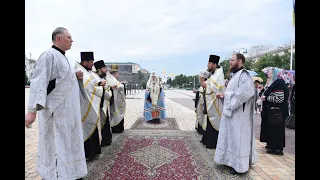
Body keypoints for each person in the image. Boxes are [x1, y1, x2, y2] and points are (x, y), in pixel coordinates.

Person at [25, 27, 87, 180]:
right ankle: (55, 175)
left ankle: (70, 173)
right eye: (69, 37)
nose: (72, 40)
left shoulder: (64, 58)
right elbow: (39, 82)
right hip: (55, 112)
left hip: (68, 113)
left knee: (68, 144)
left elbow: (61, 81)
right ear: (59, 39)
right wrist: (32, 110)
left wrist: (76, 76)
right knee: (55, 145)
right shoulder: (48, 55)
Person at [214, 53, 257, 175]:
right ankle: (229, 161)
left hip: (240, 116)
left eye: (232, 60)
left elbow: (245, 93)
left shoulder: (244, 75)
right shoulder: (235, 76)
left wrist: (226, 96)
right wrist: (224, 96)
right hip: (232, 114)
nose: (229, 62)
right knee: (230, 138)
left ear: (240, 61)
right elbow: (233, 93)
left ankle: (240, 166)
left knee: (238, 140)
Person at [76, 52, 109, 160]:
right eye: (91, 62)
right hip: (84, 105)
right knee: (87, 127)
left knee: (93, 126)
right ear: (84, 62)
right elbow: (87, 88)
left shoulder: (87, 71)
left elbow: (93, 84)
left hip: (91, 103)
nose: (92, 64)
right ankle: (87, 154)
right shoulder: (80, 71)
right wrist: (100, 88)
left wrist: (99, 85)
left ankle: (93, 152)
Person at [261, 67, 289, 155]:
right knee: (273, 130)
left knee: (276, 130)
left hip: (277, 112)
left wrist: (266, 98)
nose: (268, 73)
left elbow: (279, 98)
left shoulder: (279, 83)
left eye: (270, 72)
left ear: (276, 74)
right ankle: (273, 146)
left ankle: (276, 149)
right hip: (276, 111)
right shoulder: (276, 82)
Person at [200, 55, 225, 149]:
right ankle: (207, 141)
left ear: (214, 64)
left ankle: (213, 143)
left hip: (216, 102)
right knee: (209, 121)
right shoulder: (213, 73)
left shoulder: (219, 73)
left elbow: (216, 87)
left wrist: (205, 84)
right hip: (211, 101)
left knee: (214, 121)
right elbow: (209, 84)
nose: (208, 65)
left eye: (209, 63)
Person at [92, 60, 114, 146]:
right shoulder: (95, 78)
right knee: (100, 124)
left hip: (105, 103)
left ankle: (106, 140)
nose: (106, 70)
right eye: (104, 68)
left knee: (105, 123)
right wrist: (101, 86)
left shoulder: (102, 78)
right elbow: (93, 89)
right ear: (98, 69)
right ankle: (102, 141)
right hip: (98, 105)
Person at [109, 64, 126, 133]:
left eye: (115, 73)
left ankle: (118, 128)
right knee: (113, 113)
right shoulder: (108, 80)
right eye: (113, 73)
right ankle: (114, 128)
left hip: (118, 101)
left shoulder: (118, 82)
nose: (115, 75)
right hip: (112, 101)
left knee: (118, 112)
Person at [194, 70, 211, 135]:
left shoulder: (206, 84)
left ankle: (202, 129)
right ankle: (199, 128)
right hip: (200, 104)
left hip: (203, 105)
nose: (199, 77)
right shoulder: (202, 84)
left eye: (200, 76)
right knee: (199, 116)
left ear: (203, 77)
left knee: (202, 117)